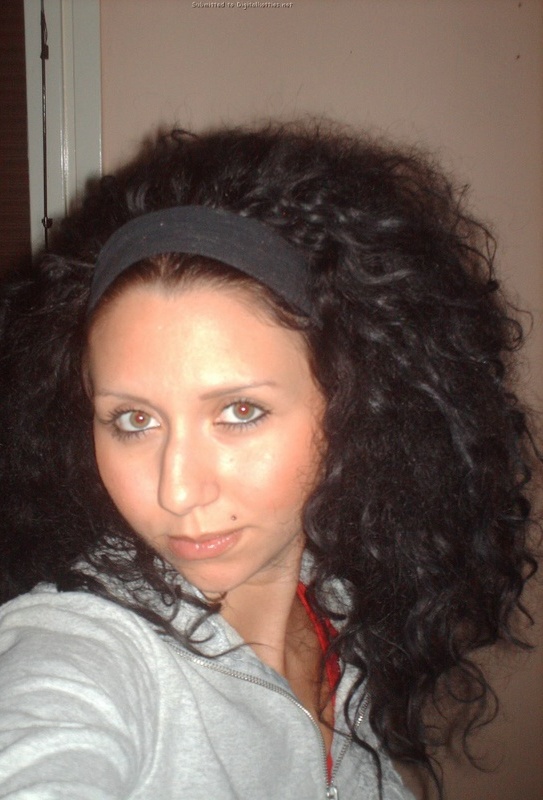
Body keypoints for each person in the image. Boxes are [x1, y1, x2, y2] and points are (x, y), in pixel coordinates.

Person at [0, 121, 538, 800]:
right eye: (134, 420)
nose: (177, 491)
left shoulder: (334, 598)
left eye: (239, 411)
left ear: (357, 406)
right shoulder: (80, 653)